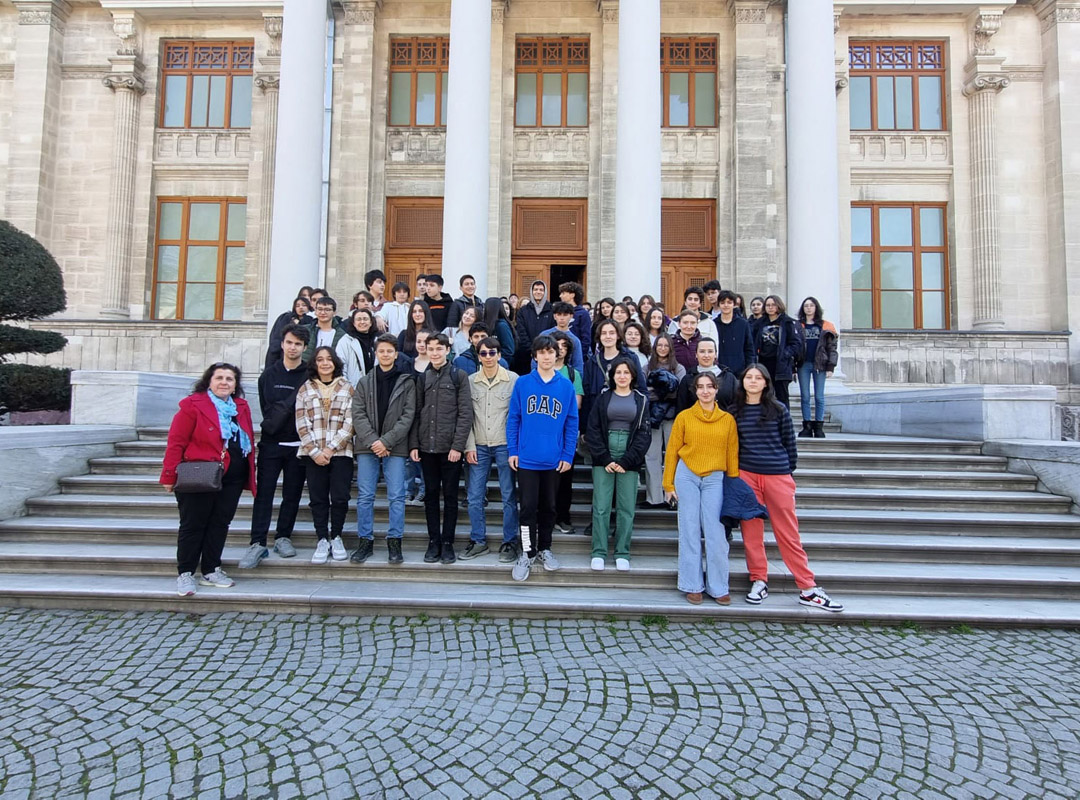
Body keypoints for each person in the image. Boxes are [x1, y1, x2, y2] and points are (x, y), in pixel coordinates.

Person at [733, 364, 844, 611]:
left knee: (788, 533)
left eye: (758, 378)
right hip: (747, 475)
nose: (752, 381)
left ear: (766, 382)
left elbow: (789, 444)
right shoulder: (735, 411)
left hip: (777, 475)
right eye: (748, 377)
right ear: (743, 382)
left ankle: (807, 587)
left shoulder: (778, 409)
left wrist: (786, 471)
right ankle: (759, 580)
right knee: (752, 534)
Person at [162, 362, 256, 596]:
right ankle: (185, 573)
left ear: (235, 386)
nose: (224, 382)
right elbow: (177, 441)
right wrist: (169, 474)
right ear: (209, 382)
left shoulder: (240, 407)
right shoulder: (192, 405)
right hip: (199, 474)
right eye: (219, 378)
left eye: (230, 379)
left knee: (220, 523)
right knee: (193, 524)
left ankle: (211, 568)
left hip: (232, 476)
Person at [663, 371, 739, 606]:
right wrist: (668, 484)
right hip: (687, 475)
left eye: (710, 386)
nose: (705, 391)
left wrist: (733, 487)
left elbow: (732, 456)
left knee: (716, 533)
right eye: (700, 387)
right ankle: (692, 584)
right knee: (689, 530)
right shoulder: (684, 417)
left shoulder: (727, 420)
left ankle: (718, 586)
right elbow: (673, 451)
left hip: (715, 477)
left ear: (717, 390)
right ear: (695, 391)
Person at [507, 334, 579, 582]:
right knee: (527, 508)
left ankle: (545, 548)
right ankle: (527, 551)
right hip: (526, 459)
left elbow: (572, 423)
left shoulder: (566, 385)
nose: (547, 356)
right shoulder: (523, 383)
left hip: (554, 460)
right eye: (542, 352)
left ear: (557, 355)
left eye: (551, 352)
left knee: (549, 507)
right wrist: (513, 451)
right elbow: (514, 418)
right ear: (535, 355)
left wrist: (568, 454)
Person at [240, 324, 309, 568]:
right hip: (271, 444)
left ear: (304, 347)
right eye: (289, 342)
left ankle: (283, 537)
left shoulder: (308, 375)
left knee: (292, 495)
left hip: (298, 445)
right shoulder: (268, 375)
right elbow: (268, 408)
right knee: (264, 494)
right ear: (282, 344)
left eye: (298, 344)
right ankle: (257, 542)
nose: (293, 347)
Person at [351, 333, 416, 565]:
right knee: (366, 496)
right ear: (376, 354)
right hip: (368, 446)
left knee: (396, 496)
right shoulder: (364, 381)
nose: (386, 354)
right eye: (381, 351)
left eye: (390, 351)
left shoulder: (406, 381)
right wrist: (373, 441)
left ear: (396, 354)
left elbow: (408, 415)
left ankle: (395, 541)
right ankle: (365, 541)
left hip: (395, 446)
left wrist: (386, 441)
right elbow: (357, 413)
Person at [409, 333, 473, 564]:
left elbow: (465, 414)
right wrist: (414, 443)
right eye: (431, 348)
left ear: (448, 350)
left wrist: (458, 446)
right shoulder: (423, 377)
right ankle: (433, 541)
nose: (435, 352)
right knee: (431, 496)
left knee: (451, 497)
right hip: (427, 447)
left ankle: (448, 542)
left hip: (450, 450)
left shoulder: (459, 375)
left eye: (439, 348)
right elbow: (416, 412)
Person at [585, 358, 651, 572]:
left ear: (633, 376)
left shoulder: (641, 400)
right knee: (602, 506)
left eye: (626, 372)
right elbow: (592, 429)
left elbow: (644, 434)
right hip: (604, 453)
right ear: (612, 377)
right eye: (618, 372)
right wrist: (605, 458)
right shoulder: (604, 398)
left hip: (629, 456)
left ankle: (622, 552)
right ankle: (599, 551)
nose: (622, 376)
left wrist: (626, 461)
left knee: (626, 508)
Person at [295, 346, 355, 564]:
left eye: (329, 359)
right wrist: (315, 451)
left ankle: (336, 536)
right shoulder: (305, 389)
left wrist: (331, 449)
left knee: (339, 497)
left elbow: (351, 422)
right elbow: (301, 423)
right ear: (315, 363)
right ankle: (322, 538)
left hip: (341, 453)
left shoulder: (347, 388)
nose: (325, 363)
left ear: (335, 362)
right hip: (313, 454)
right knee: (318, 498)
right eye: (320, 359)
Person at [464, 336, 521, 562]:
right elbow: (466, 416)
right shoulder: (470, 381)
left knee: (508, 495)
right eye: (483, 353)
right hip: (478, 444)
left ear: (499, 354)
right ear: (478, 356)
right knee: (474, 496)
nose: (488, 357)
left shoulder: (514, 380)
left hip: (504, 445)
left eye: (492, 352)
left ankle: (509, 542)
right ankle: (478, 540)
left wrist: (515, 448)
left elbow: (517, 417)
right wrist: (468, 446)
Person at [643, 332, 685, 508]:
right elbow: (644, 391)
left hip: (671, 417)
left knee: (672, 455)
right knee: (651, 456)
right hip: (652, 417)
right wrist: (661, 392)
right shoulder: (647, 366)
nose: (662, 348)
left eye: (665, 345)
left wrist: (661, 392)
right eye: (659, 345)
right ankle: (654, 497)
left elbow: (680, 392)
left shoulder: (679, 368)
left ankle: (672, 497)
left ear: (670, 348)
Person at [796, 296, 839, 439]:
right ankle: (807, 426)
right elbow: (793, 346)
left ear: (816, 308)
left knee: (819, 397)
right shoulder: (797, 325)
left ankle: (819, 427)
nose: (808, 308)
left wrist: (831, 367)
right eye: (806, 305)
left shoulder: (827, 325)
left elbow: (832, 347)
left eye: (811, 305)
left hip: (820, 364)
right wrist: (793, 367)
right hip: (803, 364)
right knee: (805, 396)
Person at [753, 295, 804, 409]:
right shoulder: (760, 323)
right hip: (764, 363)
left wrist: (785, 354)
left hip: (781, 365)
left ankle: (784, 423)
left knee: (782, 398)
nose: (770, 307)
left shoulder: (787, 322)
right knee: (764, 396)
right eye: (768, 305)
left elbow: (796, 344)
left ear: (778, 306)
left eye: (773, 305)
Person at [302, 296, 365, 387]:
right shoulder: (305, 331)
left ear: (334, 312)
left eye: (327, 309)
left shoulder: (342, 335)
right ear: (315, 311)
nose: (323, 312)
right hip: (307, 375)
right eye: (320, 309)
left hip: (331, 378)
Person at [676, 337, 737, 414]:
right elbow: (681, 408)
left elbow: (736, 405)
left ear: (715, 354)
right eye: (702, 351)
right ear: (696, 354)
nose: (706, 355)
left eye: (710, 351)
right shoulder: (688, 379)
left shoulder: (729, 378)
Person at [514, 279, 553, 374]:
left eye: (541, 290)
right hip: (526, 356)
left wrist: (544, 349)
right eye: (535, 289)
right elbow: (521, 332)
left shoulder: (552, 309)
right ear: (531, 292)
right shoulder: (523, 310)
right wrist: (532, 350)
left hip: (547, 353)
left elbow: (553, 330)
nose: (538, 292)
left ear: (545, 292)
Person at [713, 290, 755, 375]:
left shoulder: (743, 324)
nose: (726, 305)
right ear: (718, 304)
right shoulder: (713, 324)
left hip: (740, 371)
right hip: (718, 371)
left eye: (729, 302)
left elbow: (749, 349)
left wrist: (749, 369)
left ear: (734, 304)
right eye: (722, 302)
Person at [265, 295, 312, 369]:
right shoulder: (286, 318)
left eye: (304, 305)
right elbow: (276, 337)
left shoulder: (311, 321)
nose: (301, 307)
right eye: (297, 305)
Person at [541, 301, 585, 374]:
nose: (562, 318)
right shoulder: (544, 335)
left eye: (565, 315)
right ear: (554, 316)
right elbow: (535, 360)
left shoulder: (575, 340)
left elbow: (578, 366)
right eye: (559, 314)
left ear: (571, 316)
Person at [558, 281, 592, 359]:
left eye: (563, 293)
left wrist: (580, 356)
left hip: (576, 354)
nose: (560, 296)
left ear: (572, 295)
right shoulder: (559, 313)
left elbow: (586, 338)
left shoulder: (583, 314)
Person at [345, 308, 378, 375]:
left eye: (365, 319)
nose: (362, 322)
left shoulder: (377, 340)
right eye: (359, 319)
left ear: (371, 322)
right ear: (354, 323)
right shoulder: (346, 341)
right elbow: (342, 366)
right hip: (353, 384)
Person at [483, 296, 516, 362]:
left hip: (499, 363)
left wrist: (495, 359)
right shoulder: (487, 324)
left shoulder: (502, 326)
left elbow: (509, 350)